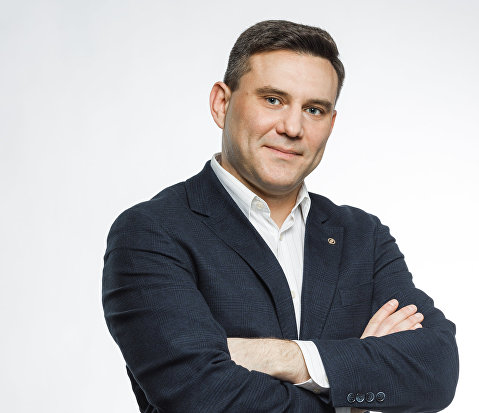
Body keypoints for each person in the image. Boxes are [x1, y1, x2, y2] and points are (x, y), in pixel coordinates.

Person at [102, 20, 459, 412]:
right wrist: (350, 383)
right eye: (273, 100)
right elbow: (201, 397)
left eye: (313, 109)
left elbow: (436, 371)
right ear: (222, 104)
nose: (292, 127)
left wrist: (282, 357)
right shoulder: (152, 233)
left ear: (331, 124)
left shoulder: (362, 236)